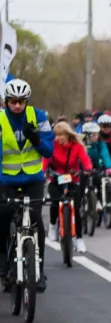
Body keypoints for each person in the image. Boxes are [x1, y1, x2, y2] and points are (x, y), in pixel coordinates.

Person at [0, 79, 54, 293]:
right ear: (6, 101)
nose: (17, 105)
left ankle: (38, 272)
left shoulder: (39, 117)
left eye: (21, 101)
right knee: (2, 216)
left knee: (36, 221)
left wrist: (35, 139)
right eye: (13, 101)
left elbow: (49, 152)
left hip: (33, 177)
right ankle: (3, 262)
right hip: (6, 178)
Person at [45, 121, 93, 254]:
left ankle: (79, 239)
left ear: (67, 135)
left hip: (73, 179)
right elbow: (46, 159)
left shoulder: (76, 146)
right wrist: (43, 171)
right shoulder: (52, 146)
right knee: (55, 202)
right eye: (56, 135)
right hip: (55, 179)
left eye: (61, 135)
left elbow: (85, 159)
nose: (58, 138)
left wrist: (88, 169)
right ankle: (53, 226)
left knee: (76, 209)